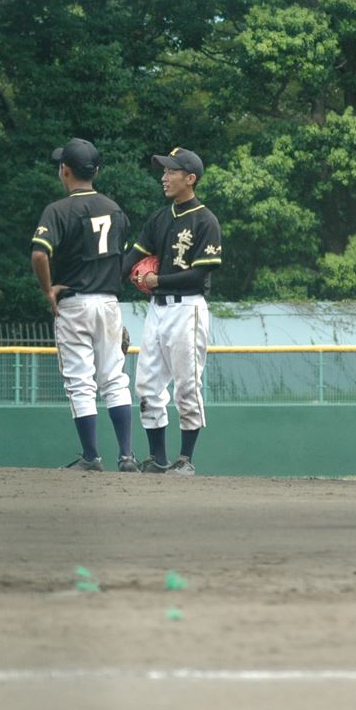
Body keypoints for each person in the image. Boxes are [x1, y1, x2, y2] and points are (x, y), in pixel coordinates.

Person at [30, 138, 137, 472]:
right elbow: (121, 256)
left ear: (65, 170)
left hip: (74, 304)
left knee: (80, 381)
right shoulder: (115, 209)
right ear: (96, 171)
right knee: (114, 378)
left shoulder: (58, 210)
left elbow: (39, 254)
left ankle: (91, 457)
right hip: (108, 302)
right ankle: (127, 456)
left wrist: (48, 291)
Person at [127, 148, 222, 475]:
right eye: (164, 171)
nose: (164, 177)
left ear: (190, 178)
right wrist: (102, 287)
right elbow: (133, 258)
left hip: (187, 309)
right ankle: (158, 458)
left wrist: (159, 280)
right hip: (157, 310)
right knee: (147, 385)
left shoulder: (205, 220)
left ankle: (185, 459)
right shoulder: (159, 217)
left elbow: (199, 275)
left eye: (171, 171)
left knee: (186, 385)